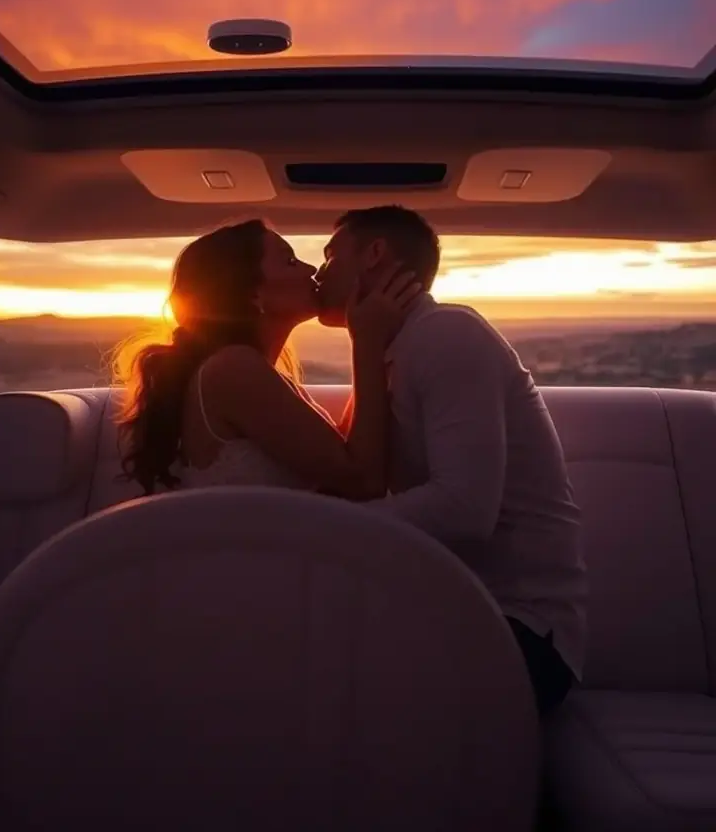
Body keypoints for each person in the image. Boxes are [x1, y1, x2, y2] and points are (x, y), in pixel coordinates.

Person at [314, 205, 587, 715]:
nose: (318, 273)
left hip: (518, 631)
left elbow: (465, 510)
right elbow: (356, 478)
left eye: (330, 257)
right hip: (449, 605)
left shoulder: (448, 335)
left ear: (375, 255)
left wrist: (322, 531)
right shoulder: (391, 351)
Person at [115, 217, 420, 501]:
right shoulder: (234, 369)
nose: (311, 269)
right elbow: (364, 483)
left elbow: (340, 453)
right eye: (290, 262)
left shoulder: (254, 370)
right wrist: (367, 344)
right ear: (254, 296)